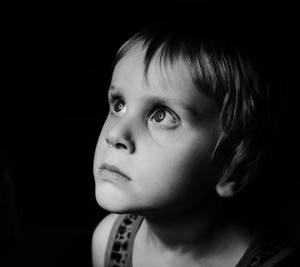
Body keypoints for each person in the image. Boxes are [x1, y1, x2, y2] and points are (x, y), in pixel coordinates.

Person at [91, 16, 299, 267]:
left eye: (161, 114)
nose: (115, 135)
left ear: (234, 169)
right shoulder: (109, 241)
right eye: (119, 105)